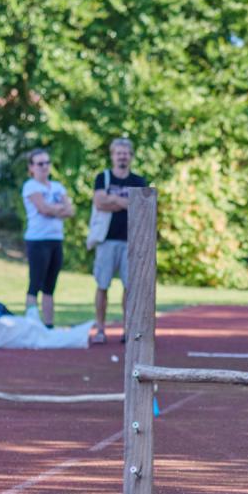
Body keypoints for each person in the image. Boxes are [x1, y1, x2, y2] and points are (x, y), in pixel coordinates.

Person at [91, 138, 147, 344]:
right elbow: (99, 203)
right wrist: (125, 202)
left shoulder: (138, 181)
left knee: (129, 287)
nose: (122, 156)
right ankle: (100, 329)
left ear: (131, 156)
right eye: (118, 153)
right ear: (112, 155)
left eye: (125, 153)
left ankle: (127, 329)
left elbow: (141, 207)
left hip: (131, 241)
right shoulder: (103, 178)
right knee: (102, 285)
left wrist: (112, 200)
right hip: (106, 240)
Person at [21, 148, 74, 327]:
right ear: (31, 167)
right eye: (40, 163)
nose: (44, 167)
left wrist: (54, 209)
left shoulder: (58, 187)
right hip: (38, 240)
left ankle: (49, 325)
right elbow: (43, 209)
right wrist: (58, 208)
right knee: (35, 282)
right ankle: (31, 323)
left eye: (47, 163)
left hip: (55, 239)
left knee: (50, 286)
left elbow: (70, 211)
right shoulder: (30, 186)